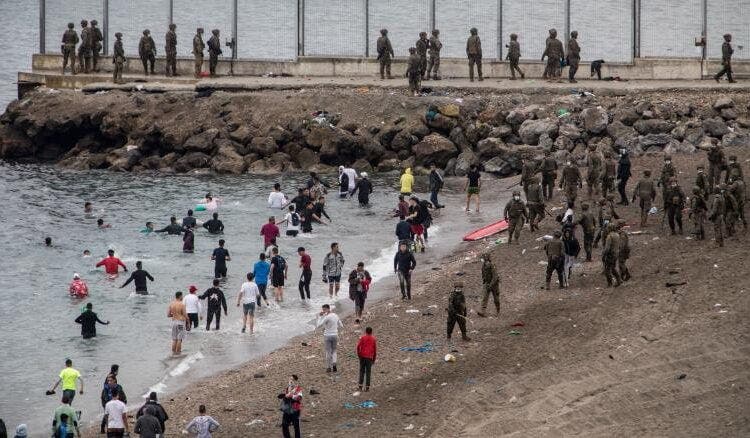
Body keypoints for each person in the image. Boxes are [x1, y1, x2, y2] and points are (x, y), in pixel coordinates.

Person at [317, 304, 343, 373]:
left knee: (328, 351)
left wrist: (320, 316)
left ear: (328, 309)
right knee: (334, 350)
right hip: (335, 335)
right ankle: (334, 364)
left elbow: (318, 325)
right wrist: (335, 328)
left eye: (324, 310)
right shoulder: (335, 315)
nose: (323, 311)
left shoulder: (327, 317)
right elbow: (341, 325)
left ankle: (328, 367)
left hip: (327, 335)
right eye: (323, 310)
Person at [356, 327, 377, 391]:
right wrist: (374, 359)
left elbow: (358, 346)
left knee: (362, 371)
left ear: (366, 331)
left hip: (362, 356)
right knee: (368, 372)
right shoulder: (373, 339)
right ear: (371, 332)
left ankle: (360, 386)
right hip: (369, 357)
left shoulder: (363, 338)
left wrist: (359, 355)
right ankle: (367, 387)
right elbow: (375, 350)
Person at [603, 223, 622, 287]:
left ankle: (609, 283)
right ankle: (619, 279)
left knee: (607, 270)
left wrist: (604, 254)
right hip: (616, 253)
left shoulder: (609, 236)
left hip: (610, 254)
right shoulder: (617, 235)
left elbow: (607, 248)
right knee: (613, 268)